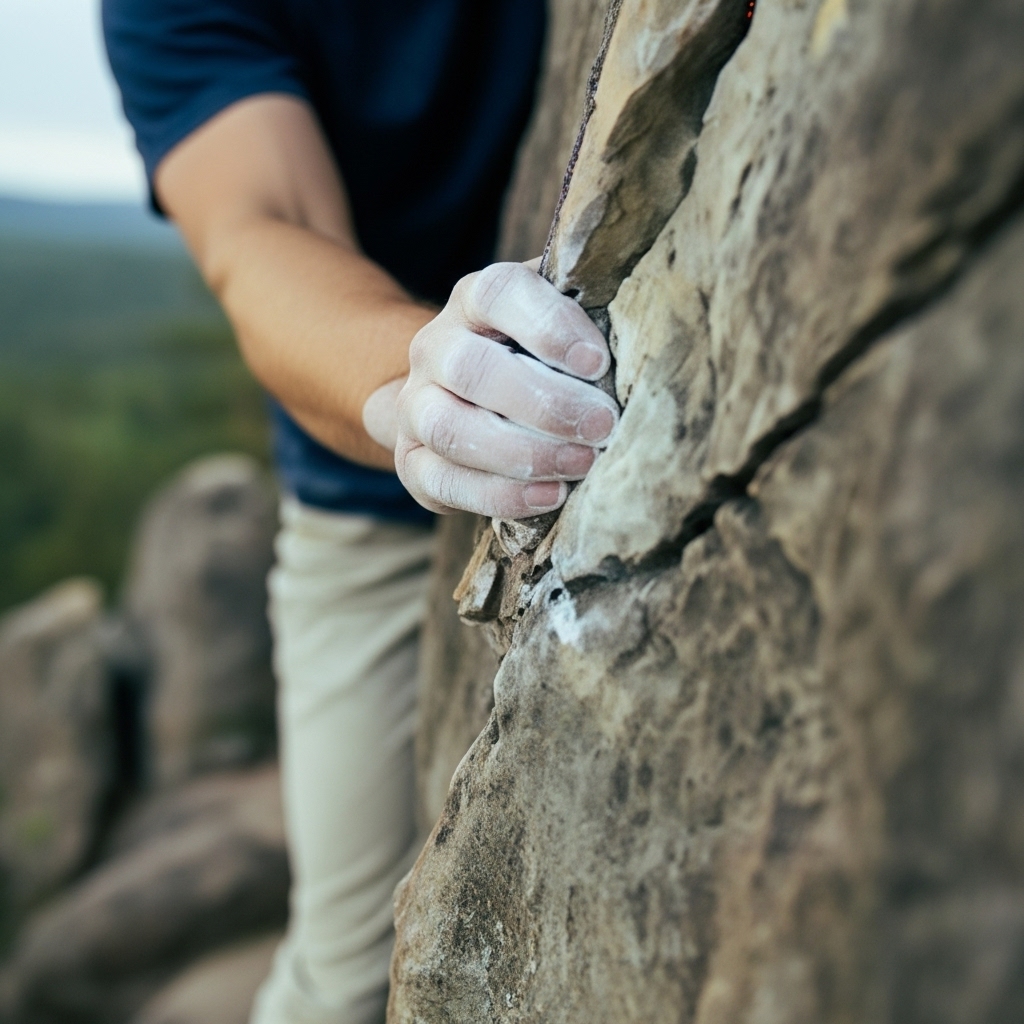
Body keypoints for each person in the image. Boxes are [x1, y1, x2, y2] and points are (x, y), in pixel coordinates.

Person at [102, 2, 619, 1021]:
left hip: (551, 384)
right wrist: (412, 383)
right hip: (362, 487)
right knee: (342, 982)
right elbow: (262, 233)